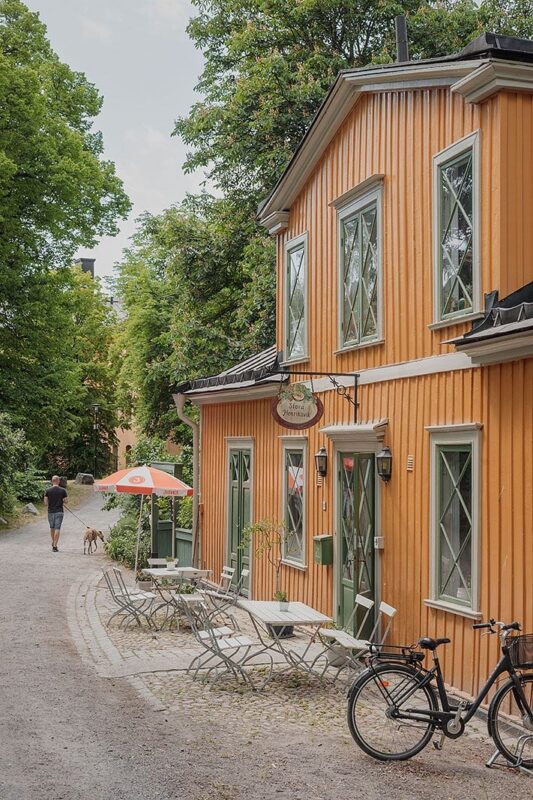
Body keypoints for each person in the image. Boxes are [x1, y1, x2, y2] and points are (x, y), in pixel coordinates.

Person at [44, 476, 68, 552]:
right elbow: (66, 501)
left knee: (52, 528)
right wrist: (61, 501)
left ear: (52, 481)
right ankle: (54, 546)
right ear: (58, 481)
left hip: (50, 511)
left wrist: (51, 502)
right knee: (57, 528)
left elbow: (45, 503)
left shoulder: (48, 490)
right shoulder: (63, 490)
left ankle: (53, 542)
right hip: (59, 511)